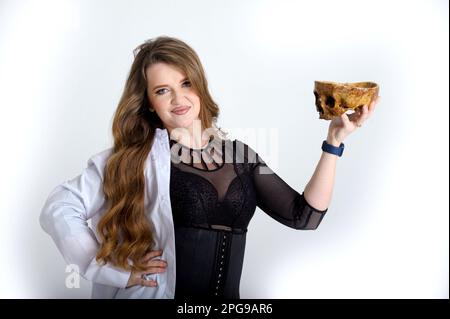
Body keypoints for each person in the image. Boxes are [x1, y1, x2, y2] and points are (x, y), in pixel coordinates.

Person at [40, 36, 379, 299]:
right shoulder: (134, 159)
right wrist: (109, 267)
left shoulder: (240, 156)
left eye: (186, 83)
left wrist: (334, 142)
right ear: (149, 104)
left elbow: (304, 217)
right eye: (163, 91)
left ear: (199, 85)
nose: (178, 99)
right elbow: (59, 207)